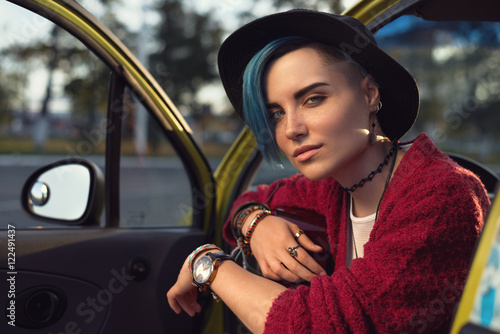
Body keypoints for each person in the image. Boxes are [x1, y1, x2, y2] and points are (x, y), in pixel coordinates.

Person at [167, 9, 490, 333]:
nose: (291, 129)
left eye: (313, 99)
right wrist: (256, 222)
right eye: (277, 113)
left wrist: (209, 266)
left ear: (369, 94)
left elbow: (318, 325)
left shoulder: (440, 195)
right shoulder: (333, 185)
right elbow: (250, 199)